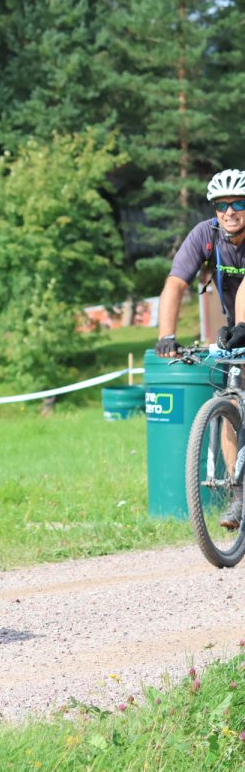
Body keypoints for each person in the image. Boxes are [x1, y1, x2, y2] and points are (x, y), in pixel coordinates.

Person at [158, 169, 245, 528]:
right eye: (222, 205)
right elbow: (176, 283)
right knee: (232, 403)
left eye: (239, 203)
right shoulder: (205, 236)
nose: (230, 211)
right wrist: (167, 336)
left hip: (242, 324)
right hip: (238, 329)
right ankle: (239, 498)